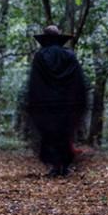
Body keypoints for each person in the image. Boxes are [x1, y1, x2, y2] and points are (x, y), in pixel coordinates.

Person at [24, 25, 87, 177]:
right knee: (65, 135)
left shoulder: (40, 56)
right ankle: (63, 167)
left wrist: (34, 104)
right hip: (67, 104)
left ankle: (55, 167)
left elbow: (35, 83)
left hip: (46, 105)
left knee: (49, 135)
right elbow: (78, 82)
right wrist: (78, 103)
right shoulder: (69, 55)